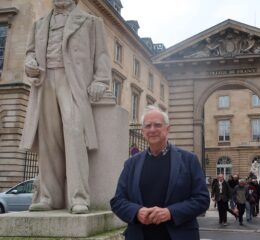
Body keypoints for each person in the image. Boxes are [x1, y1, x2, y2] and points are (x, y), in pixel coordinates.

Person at [19, 0, 110, 214]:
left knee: (75, 133)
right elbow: (30, 52)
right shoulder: (39, 23)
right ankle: (50, 198)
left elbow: (102, 55)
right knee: (48, 140)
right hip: (45, 81)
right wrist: (29, 63)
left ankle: (79, 197)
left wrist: (101, 81)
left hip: (74, 82)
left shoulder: (91, 21)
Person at [110, 106, 210, 240]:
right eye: (148, 126)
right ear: (143, 131)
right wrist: (136, 212)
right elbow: (118, 201)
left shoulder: (188, 160)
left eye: (157, 125)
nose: (152, 130)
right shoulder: (131, 163)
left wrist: (170, 213)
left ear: (167, 128)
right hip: (140, 235)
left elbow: (202, 199)